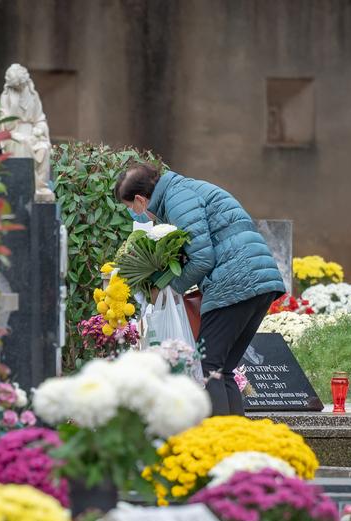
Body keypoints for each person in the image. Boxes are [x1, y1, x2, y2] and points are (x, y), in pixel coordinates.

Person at [115, 161, 285, 414]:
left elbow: (203, 258)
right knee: (222, 369)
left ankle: (216, 446)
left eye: (131, 207)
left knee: (208, 369)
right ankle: (235, 444)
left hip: (235, 282)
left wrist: (168, 286)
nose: (134, 212)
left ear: (140, 199)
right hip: (259, 281)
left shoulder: (177, 198)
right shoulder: (184, 189)